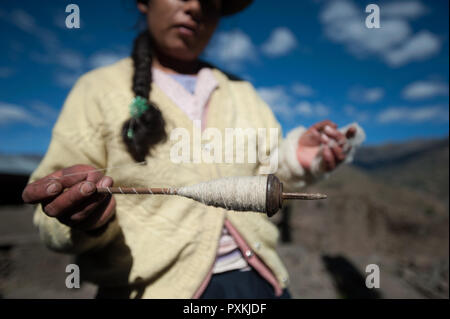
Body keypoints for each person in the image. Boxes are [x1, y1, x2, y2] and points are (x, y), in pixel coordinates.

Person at [22, 0, 360, 299]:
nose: (196, 7)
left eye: (210, 2)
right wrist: (86, 219)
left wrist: (296, 159)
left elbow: (263, 175)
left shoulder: (243, 93)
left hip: (261, 283)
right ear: (144, 2)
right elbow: (50, 210)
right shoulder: (96, 90)